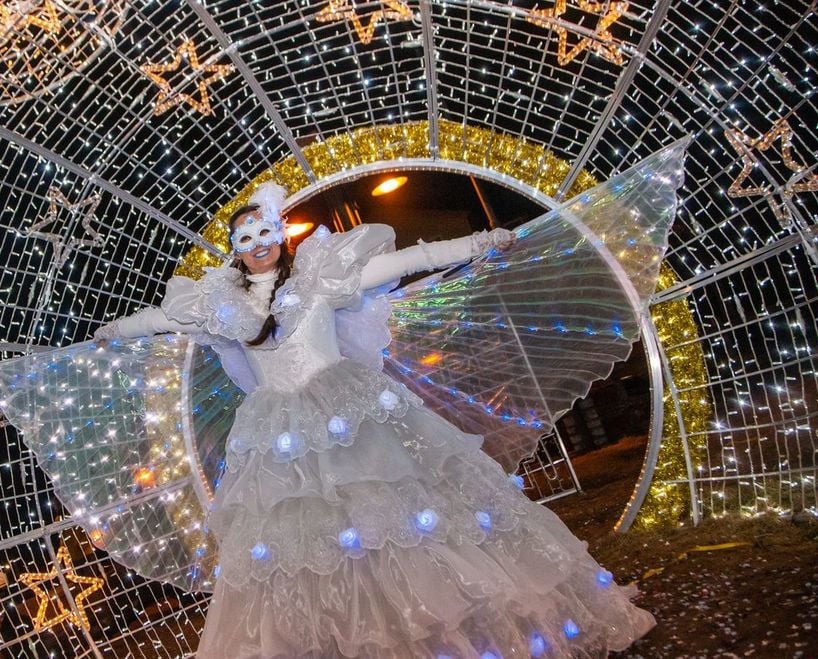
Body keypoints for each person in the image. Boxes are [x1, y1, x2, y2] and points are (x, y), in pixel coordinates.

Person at [89, 182, 656, 658]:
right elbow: (163, 317)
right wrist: (115, 330)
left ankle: (448, 628)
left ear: (280, 234)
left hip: (347, 410)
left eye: (265, 232)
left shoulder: (320, 277)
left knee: (401, 518)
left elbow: (404, 262)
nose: (258, 245)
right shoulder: (220, 303)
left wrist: (479, 241)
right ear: (234, 248)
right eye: (245, 239)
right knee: (312, 544)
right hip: (279, 432)